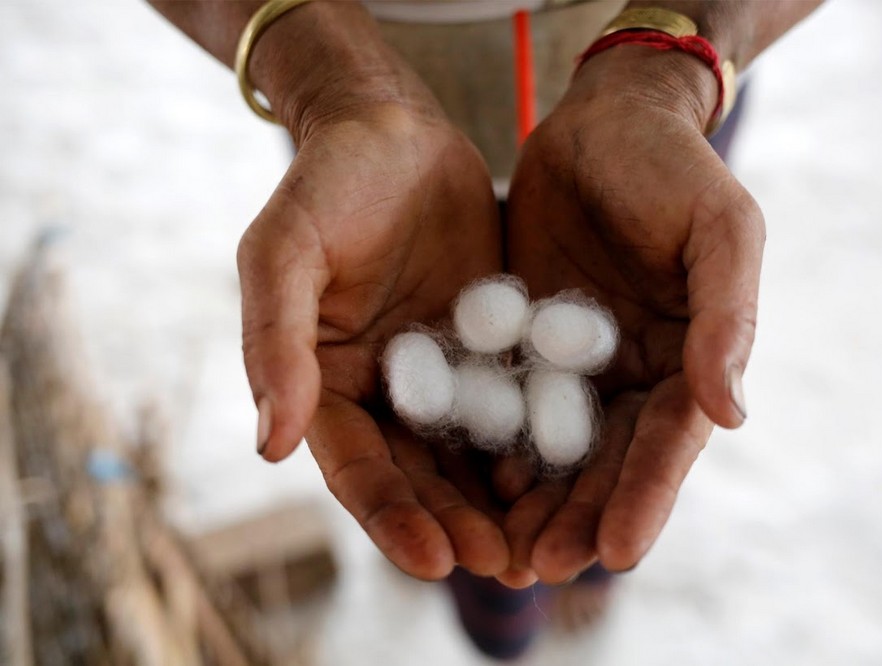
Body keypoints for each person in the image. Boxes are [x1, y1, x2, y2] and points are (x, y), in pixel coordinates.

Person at [148, 0, 822, 658]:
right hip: (378, 172)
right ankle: (501, 614)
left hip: (646, 130)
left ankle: (581, 576)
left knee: (633, 413)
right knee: (474, 500)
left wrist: (675, 61)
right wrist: (323, 74)